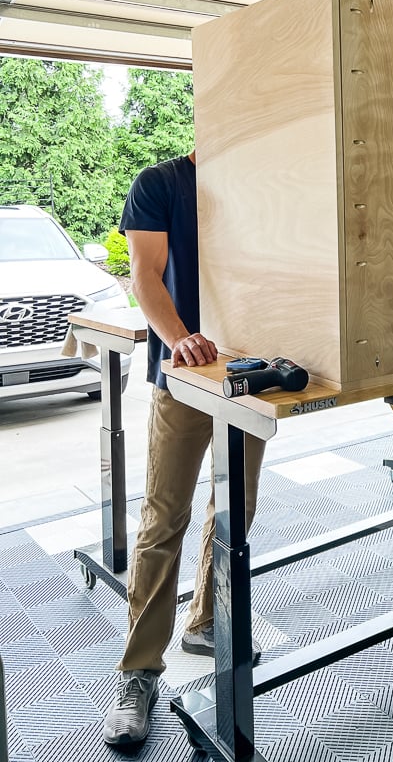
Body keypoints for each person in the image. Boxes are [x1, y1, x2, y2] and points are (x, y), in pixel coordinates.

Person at [103, 151, 266, 749]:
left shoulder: (256, 182)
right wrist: (181, 338)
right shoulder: (159, 183)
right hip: (185, 373)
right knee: (163, 516)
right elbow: (145, 273)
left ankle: (206, 621)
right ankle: (139, 671)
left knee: (234, 512)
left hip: (251, 372)